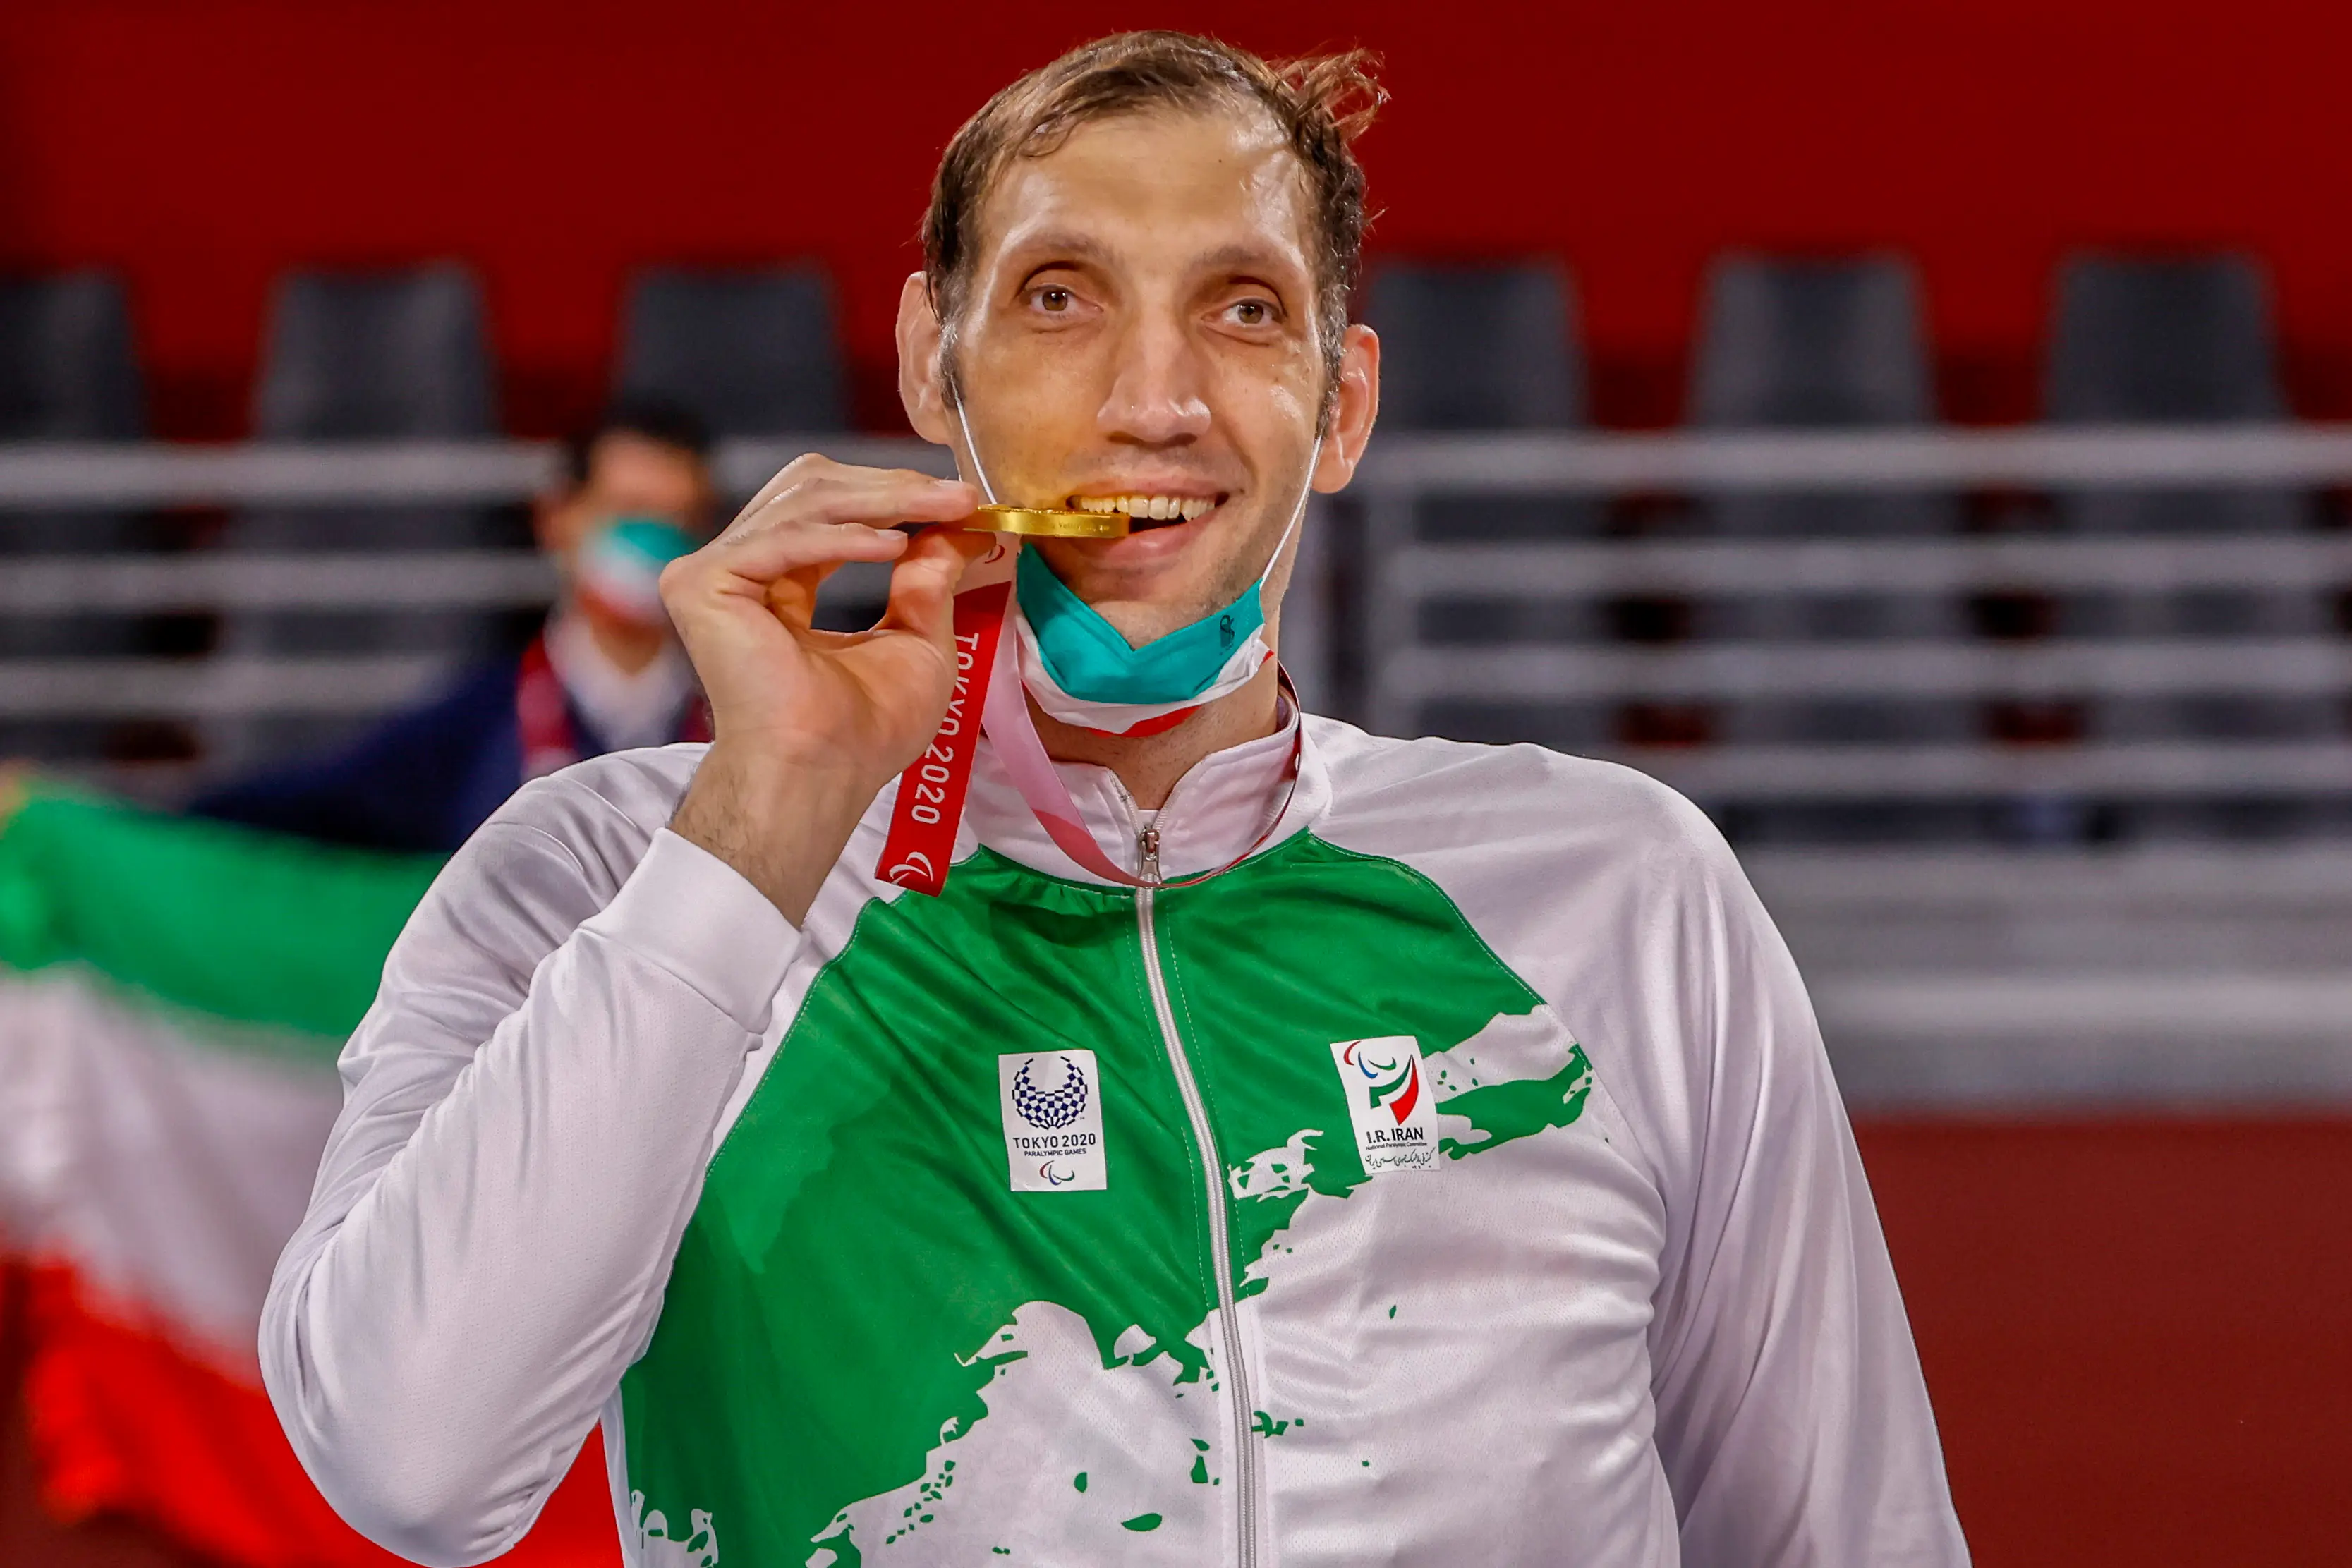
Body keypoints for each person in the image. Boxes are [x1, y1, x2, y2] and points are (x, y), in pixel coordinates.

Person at [262, 32, 1970, 1568]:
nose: (1155, 402)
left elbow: (1852, 1534)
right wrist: (761, 823)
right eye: (1061, 296)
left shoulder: (1618, 894)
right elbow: (410, 1465)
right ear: (937, 359)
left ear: (1343, 403)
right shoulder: (603, 873)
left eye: (1242, 308)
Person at [187, 399, 717, 854]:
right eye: (631, 512)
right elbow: (315, 810)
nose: (657, 542)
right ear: (555, 517)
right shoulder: (470, 728)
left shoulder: (746, 725)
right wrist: (142, 835)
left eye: (680, 518)